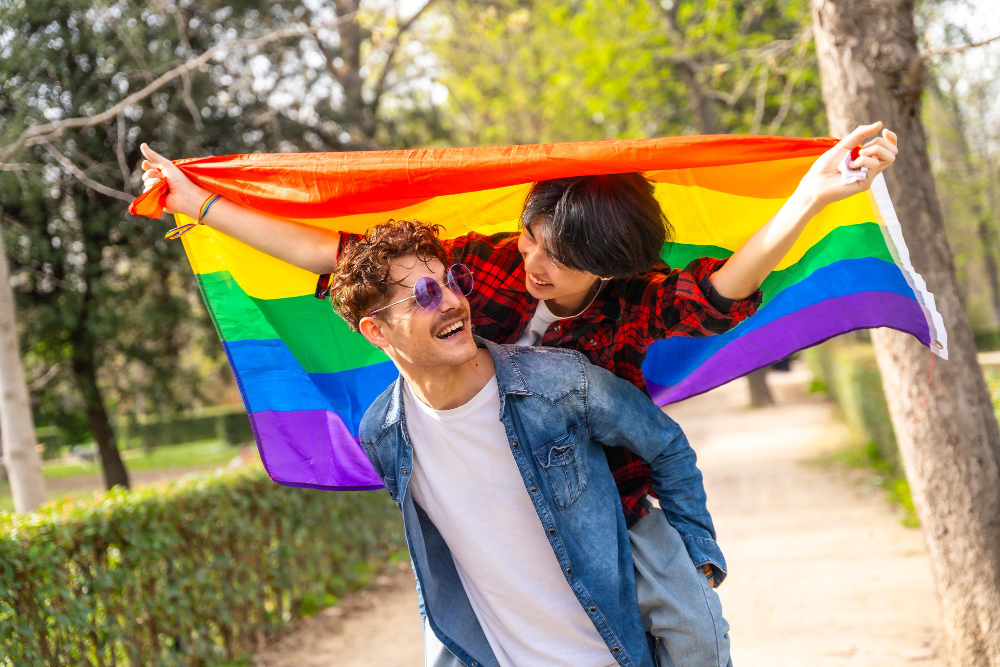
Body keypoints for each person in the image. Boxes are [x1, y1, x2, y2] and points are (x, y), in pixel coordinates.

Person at [138, 123, 897, 664]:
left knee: (693, 630)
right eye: (531, 238)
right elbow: (338, 258)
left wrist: (812, 193)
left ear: (605, 267)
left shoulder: (632, 303)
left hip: (609, 501)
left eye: (556, 259)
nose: (532, 263)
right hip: (498, 509)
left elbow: (723, 290)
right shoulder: (484, 268)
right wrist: (196, 202)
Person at [331, 217, 724, 666]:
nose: (453, 302)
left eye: (451, 282)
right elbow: (437, 563)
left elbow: (665, 445)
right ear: (376, 331)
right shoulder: (382, 433)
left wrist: (698, 554)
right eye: (424, 295)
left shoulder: (559, 380)